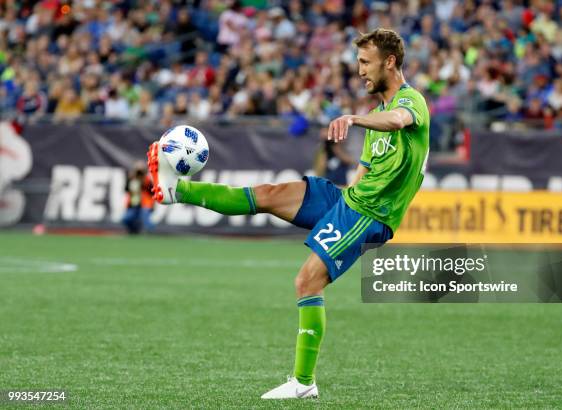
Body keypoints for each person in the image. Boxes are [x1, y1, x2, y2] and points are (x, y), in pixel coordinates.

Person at [146, 28, 429, 399]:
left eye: (365, 62)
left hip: (370, 213)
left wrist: (354, 119)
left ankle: (303, 384)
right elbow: (365, 169)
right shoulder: (377, 113)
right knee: (269, 194)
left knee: (306, 282)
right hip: (350, 201)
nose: (358, 70)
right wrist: (340, 200)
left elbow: (399, 121)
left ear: (390, 62)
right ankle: (175, 190)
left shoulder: (411, 102)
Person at [122, 161, 155, 234]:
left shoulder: (147, 180)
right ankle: (133, 231)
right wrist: (131, 178)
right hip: (133, 204)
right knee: (126, 219)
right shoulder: (132, 179)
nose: (139, 173)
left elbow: (152, 191)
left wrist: (144, 180)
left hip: (145, 204)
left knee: (146, 221)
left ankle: (152, 234)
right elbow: (126, 189)